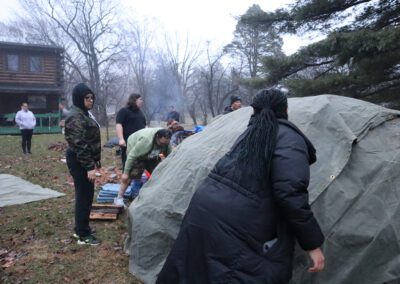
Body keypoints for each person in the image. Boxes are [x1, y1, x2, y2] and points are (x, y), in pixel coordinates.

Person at [157, 88, 325, 283]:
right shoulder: (289, 139)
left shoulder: (250, 134)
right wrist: (312, 244)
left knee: (196, 269)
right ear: (285, 110)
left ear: (253, 110)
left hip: (206, 207)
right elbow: (290, 193)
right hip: (240, 220)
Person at [65, 83, 102, 246]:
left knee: (86, 195)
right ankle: (82, 234)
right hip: (79, 160)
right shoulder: (75, 116)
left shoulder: (84, 113)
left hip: (85, 159)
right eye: (87, 98)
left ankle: (81, 227)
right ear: (79, 98)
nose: (91, 100)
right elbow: (79, 143)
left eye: (92, 97)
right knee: (84, 196)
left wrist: (96, 163)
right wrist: (89, 167)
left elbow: (90, 140)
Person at [114, 128, 172, 207]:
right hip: (136, 151)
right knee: (129, 177)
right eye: (161, 144)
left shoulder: (166, 143)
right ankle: (119, 198)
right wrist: (125, 173)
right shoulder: (145, 142)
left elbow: (170, 157)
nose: (163, 146)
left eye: (165, 144)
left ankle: (158, 196)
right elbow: (131, 156)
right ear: (157, 137)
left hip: (151, 155)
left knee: (159, 173)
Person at [116, 94, 146, 170]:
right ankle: (126, 181)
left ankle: (137, 181)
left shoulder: (141, 113)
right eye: (140, 99)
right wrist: (121, 139)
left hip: (140, 144)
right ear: (134, 100)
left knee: (139, 167)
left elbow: (144, 126)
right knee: (128, 166)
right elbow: (119, 124)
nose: (142, 101)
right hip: (128, 143)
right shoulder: (124, 111)